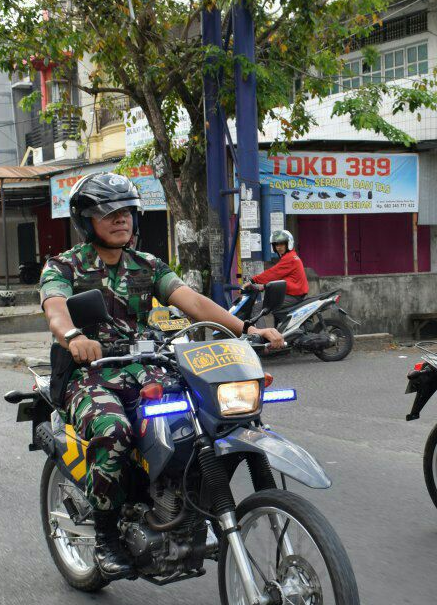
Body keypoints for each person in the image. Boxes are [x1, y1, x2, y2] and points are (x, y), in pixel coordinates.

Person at [40, 173, 285, 578]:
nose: (120, 220)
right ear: (87, 220)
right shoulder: (64, 265)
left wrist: (247, 331)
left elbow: (193, 301)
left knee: (207, 417)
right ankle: (106, 535)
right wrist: (72, 336)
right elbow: (55, 307)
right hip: (90, 373)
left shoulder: (148, 265)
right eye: (108, 213)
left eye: (127, 213)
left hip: (146, 365)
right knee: (114, 431)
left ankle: (184, 499)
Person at [248, 228, 309, 300]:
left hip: (293, 295)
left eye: (282, 244)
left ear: (288, 244)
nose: (279, 247)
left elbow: (273, 273)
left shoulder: (290, 258)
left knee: (265, 307)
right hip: (294, 293)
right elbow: (280, 277)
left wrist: (252, 281)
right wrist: (264, 286)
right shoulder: (291, 256)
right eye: (276, 245)